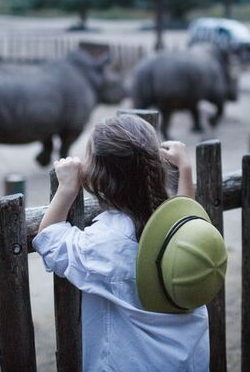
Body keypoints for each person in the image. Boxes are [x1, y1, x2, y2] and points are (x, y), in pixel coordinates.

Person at [32, 114, 209, 371]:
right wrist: (185, 170)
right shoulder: (180, 227)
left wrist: (67, 188)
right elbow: (187, 212)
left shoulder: (105, 243)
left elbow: (50, 240)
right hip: (186, 359)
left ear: (95, 175)